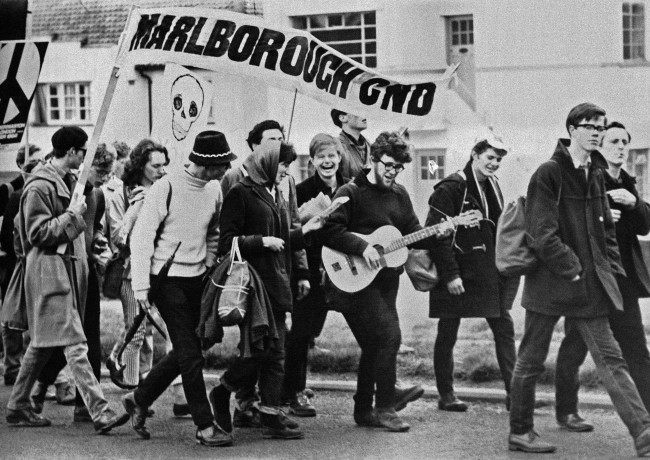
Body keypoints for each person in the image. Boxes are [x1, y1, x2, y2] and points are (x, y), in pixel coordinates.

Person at [508, 103, 650, 456]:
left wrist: (611, 269)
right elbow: (542, 233)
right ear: (572, 129)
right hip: (550, 285)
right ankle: (521, 431)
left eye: (600, 127)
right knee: (531, 359)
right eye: (590, 127)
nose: (597, 133)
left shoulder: (596, 175)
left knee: (611, 359)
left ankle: (644, 434)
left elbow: (607, 234)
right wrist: (572, 267)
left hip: (589, 287)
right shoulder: (549, 173)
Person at [5, 126, 128, 433]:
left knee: (41, 346)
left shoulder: (69, 182)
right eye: (83, 151)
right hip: (49, 273)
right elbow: (36, 234)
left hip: (65, 271)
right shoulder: (39, 187)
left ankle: (19, 404)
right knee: (75, 344)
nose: (86, 157)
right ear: (72, 152)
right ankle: (99, 412)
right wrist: (72, 216)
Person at [122, 130, 235, 447]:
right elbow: (141, 238)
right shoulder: (166, 186)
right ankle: (204, 425)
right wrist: (141, 287)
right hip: (165, 279)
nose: (226, 169)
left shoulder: (214, 189)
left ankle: (140, 398)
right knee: (189, 353)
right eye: (222, 164)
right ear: (204, 163)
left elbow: (214, 231)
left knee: (193, 349)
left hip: (197, 279)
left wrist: (211, 259)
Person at [320, 131, 438, 432]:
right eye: (387, 164)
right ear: (374, 159)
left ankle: (363, 410)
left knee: (376, 344)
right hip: (351, 281)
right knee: (388, 336)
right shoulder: (350, 191)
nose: (392, 172)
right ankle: (386, 407)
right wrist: (363, 247)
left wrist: (438, 231)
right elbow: (329, 230)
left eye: (398, 168)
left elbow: (413, 229)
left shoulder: (399, 195)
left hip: (385, 281)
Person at [209, 142, 324, 442]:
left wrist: (305, 233)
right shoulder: (240, 193)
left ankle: (270, 414)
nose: (286, 170)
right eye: (283, 165)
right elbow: (227, 243)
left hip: (277, 282)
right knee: (265, 349)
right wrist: (262, 242)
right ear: (268, 163)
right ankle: (223, 390)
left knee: (275, 353)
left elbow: (282, 238)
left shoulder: (276, 192)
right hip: (254, 284)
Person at [554, 121, 650, 431]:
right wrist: (605, 212)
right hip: (592, 278)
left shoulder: (625, 180)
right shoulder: (587, 177)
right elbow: (568, 219)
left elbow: (644, 225)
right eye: (614, 141)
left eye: (625, 142)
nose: (621, 147)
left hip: (623, 279)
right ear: (599, 146)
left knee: (635, 347)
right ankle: (566, 410)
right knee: (575, 346)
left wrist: (634, 203)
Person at [426, 136, 518, 412]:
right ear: (474, 155)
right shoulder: (452, 187)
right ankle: (446, 394)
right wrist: (450, 275)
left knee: (504, 328)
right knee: (447, 332)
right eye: (490, 157)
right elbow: (437, 233)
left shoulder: (493, 185)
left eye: (499, 159)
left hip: (487, 272)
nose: (494, 163)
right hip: (457, 272)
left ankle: (515, 394)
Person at [104, 140, 178, 401]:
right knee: (136, 330)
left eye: (163, 165)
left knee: (173, 330)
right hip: (132, 270)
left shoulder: (166, 189)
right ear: (140, 166)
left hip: (165, 269)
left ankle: (175, 394)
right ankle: (133, 392)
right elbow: (117, 237)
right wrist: (136, 209)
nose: (161, 170)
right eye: (155, 166)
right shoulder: (122, 194)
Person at [279, 133, 347, 417]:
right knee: (303, 332)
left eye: (332, 156)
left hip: (345, 270)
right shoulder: (302, 189)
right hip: (313, 269)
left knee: (361, 325)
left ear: (340, 158)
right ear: (313, 160)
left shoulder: (349, 189)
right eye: (321, 157)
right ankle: (294, 392)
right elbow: (295, 230)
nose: (327, 161)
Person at [330, 109, 371, 179]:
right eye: (358, 111)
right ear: (342, 118)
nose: (364, 115)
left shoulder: (370, 146)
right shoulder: (333, 147)